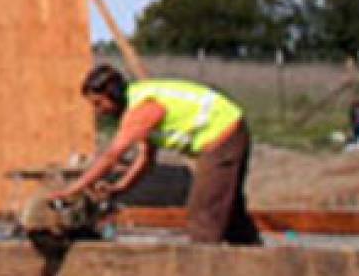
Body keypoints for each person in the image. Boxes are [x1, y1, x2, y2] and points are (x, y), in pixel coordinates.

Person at [56, 64, 261, 245]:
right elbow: (146, 159)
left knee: (203, 214)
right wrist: (120, 188)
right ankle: (262, 262)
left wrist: (74, 188)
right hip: (227, 131)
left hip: (223, 135)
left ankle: (202, 266)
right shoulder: (138, 103)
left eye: (99, 103)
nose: (99, 111)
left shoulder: (143, 110)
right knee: (229, 210)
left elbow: (111, 156)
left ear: (114, 94)